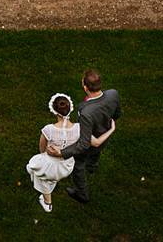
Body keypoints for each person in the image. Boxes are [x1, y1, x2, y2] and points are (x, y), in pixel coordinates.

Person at [27, 93, 115, 212]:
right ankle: (53, 179)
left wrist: (44, 158)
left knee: (42, 176)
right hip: (67, 166)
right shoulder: (79, 128)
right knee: (46, 173)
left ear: (54, 112)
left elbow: (42, 149)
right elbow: (97, 142)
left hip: (50, 166)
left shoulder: (48, 129)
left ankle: (47, 203)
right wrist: (112, 129)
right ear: (70, 109)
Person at [47, 69, 122, 203]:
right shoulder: (113, 94)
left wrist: (62, 153)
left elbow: (83, 143)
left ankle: (81, 194)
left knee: (78, 165)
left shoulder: (85, 111)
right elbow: (117, 114)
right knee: (96, 152)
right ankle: (92, 166)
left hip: (94, 141)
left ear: (85, 87)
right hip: (105, 135)